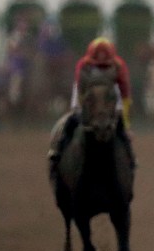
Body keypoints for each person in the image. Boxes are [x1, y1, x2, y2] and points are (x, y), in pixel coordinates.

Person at [48, 37, 136, 170]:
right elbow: (78, 87)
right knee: (71, 122)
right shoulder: (84, 65)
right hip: (88, 101)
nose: (101, 61)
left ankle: (130, 158)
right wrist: (77, 107)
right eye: (98, 57)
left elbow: (123, 93)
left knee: (121, 130)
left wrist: (123, 116)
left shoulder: (118, 66)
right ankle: (58, 150)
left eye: (104, 58)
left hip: (110, 102)